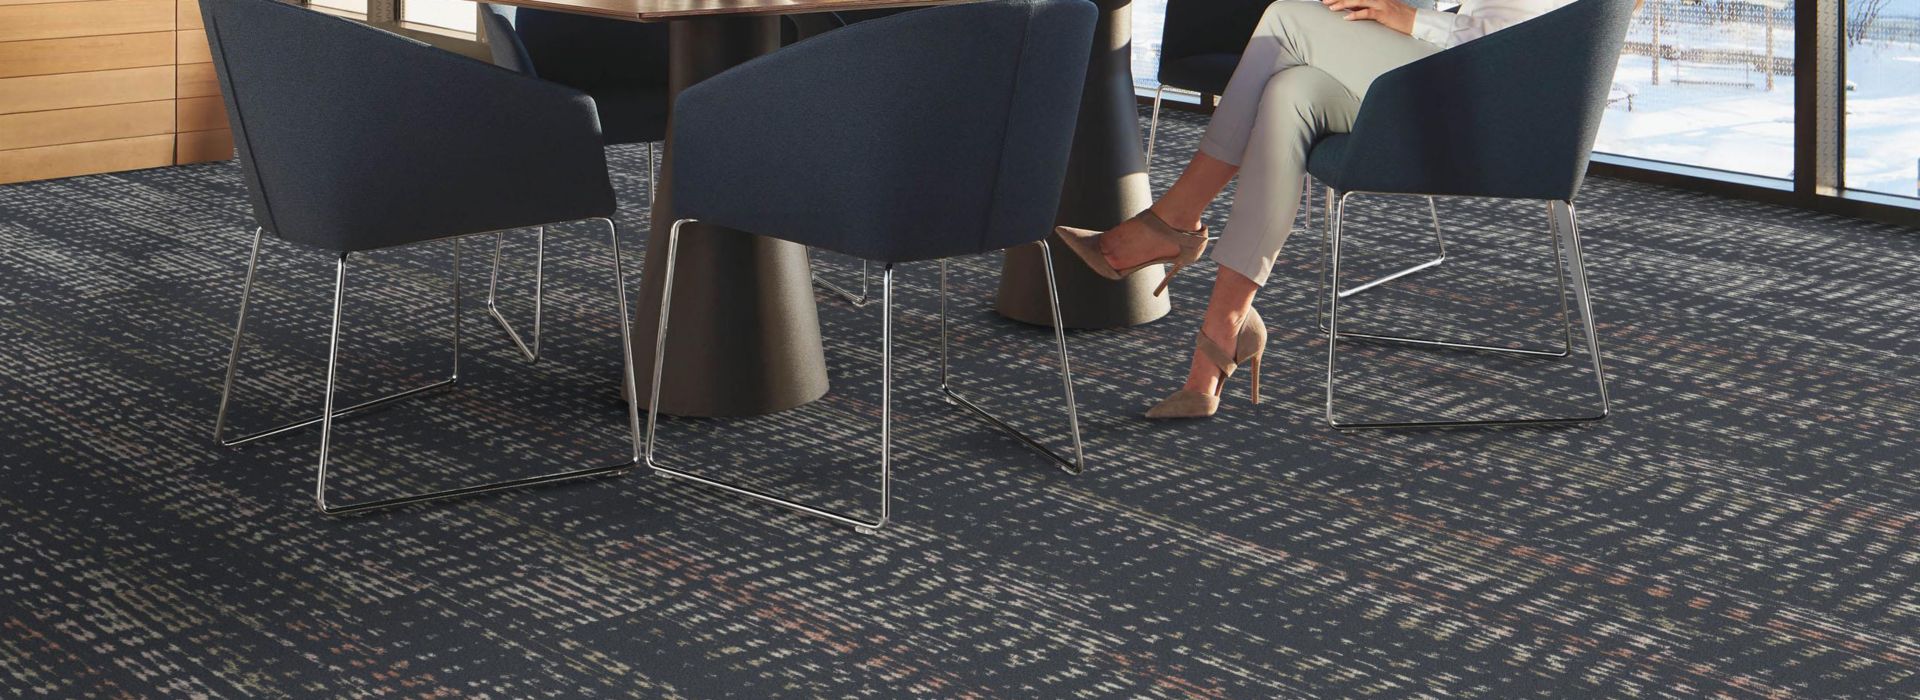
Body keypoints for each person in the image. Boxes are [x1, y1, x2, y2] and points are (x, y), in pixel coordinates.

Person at [1057, 0, 1578, 419]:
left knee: (1285, 18)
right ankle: (1223, 336)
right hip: (1443, 74)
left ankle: (1174, 221)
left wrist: (1410, 17)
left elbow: (1516, 44)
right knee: (1291, 91)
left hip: (1492, 105)